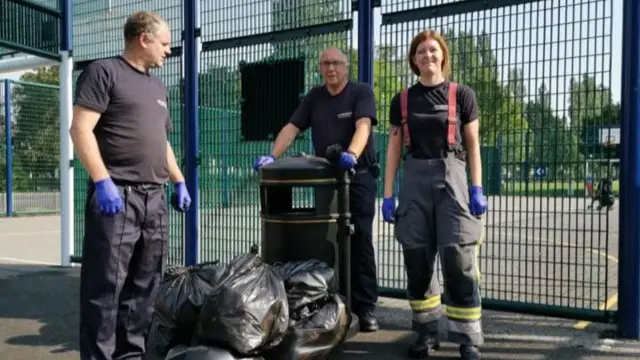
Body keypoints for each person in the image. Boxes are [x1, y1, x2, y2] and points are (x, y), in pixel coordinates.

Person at [69, 11, 191, 360]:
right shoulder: (104, 72)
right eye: (165, 43)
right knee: (104, 288)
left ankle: (130, 356)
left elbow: (160, 142)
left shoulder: (156, 86)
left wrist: (179, 180)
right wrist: (102, 180)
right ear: (144, 38)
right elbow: (80, 129)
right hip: (117, 197)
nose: (169, 51)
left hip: (154, 199)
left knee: (144, 287)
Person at [253, 47, 380, 332]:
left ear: (345, 66)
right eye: (324, 63)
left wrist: (352, 154)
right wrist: (273, 155)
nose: (330, 68)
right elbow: (292, 127)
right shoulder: (314, 97)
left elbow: (363, 126)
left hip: (356, 176)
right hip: (327, 181)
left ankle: (366, 306)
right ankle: (333, 301)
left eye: (335, 63)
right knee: (327, 240)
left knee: (360, 240)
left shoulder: (360, 92)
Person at [380, 30, 488, 359]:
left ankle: (468, 337)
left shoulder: (463, 95)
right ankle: (426, 330)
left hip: (452, 177)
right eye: (421, 51)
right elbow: (394, 148)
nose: (428, 55)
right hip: (414, 181)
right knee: (417, 258)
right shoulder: (402, 100)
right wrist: (387, 195)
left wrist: (476, 186)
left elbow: (472, 145)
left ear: (443, 55)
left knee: (458, 257)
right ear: (413, 60)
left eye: (433, 50)